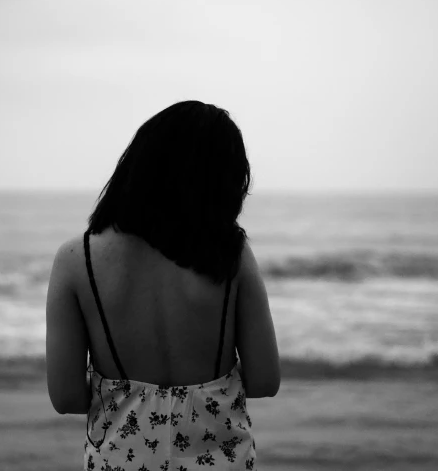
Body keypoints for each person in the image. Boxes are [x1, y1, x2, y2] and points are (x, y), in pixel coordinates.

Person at [46, 100, 280, 470]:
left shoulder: (78, 259)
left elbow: (66, 397)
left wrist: (127, 393)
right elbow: (265, 379)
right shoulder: (230, 256)